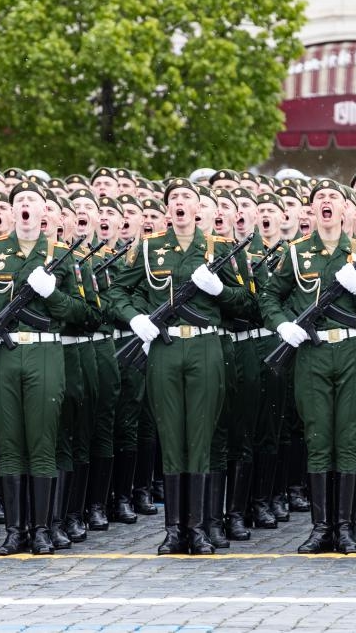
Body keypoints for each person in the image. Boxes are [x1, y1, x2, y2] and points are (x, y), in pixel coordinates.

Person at [106, 178, 253, 555]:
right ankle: (174, 530)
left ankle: (199, 528)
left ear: (201, 207)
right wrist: (135, 318)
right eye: (174, 200)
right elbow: (116, 291)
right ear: (168, 210)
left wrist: (220, 289)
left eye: (188, 197)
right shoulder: (149, 247)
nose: (180, 204)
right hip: (166, 346)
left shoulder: (219, 248)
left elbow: (246, 302)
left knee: (200, 439)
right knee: (171, 438)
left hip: (205, 344)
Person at [0, 180, 93, 556]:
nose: (26, 206)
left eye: (33, 200)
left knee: (42, 444)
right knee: (10, 444)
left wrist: (53, 295)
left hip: (45, 353)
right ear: (10, 212)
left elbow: (87, 314)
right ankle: (15, 531)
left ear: (45, 211)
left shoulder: (61, 253)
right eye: (20, 201)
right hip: (4, 355)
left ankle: (42, 529)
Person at [259, 178, 356, 554]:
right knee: (317, 437)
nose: (327, 202)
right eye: (320, 199)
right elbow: (270, 294)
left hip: (353, 352)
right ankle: (321, 528)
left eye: (334, 197)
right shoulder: (297, 252)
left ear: (346, 209)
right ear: (310, 211)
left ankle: (346, 527)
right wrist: (282, 324)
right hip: (313, 353)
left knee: (349, 438)